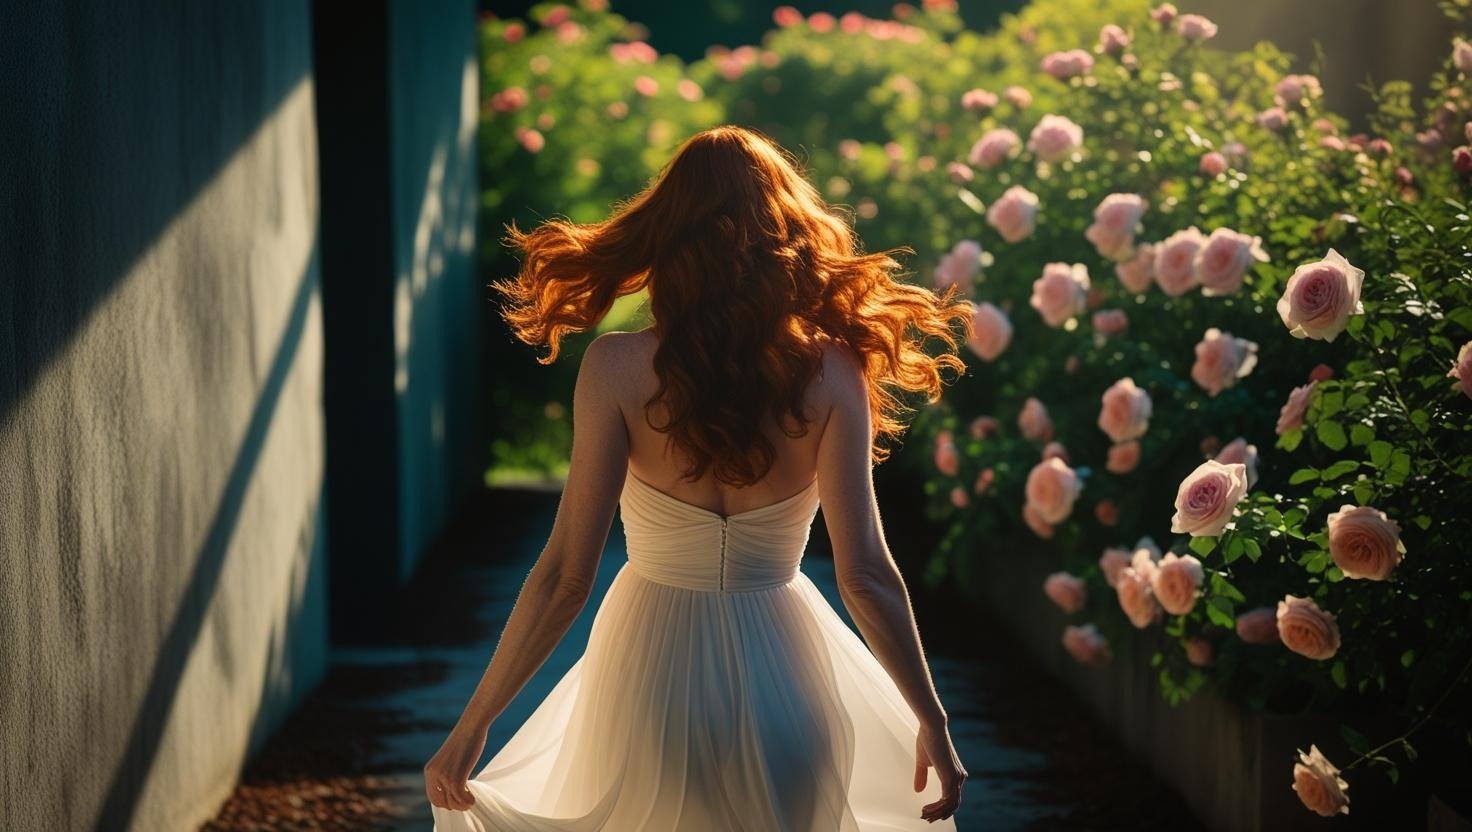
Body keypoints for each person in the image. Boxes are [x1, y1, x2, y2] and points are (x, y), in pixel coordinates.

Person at [425, 125, 971, 830]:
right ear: (789, 234)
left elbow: (565, 577)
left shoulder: (615, 369)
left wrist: (472, 727)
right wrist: (933, 721)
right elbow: (865, 575)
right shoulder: (836, 371)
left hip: (648, 682)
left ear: (666, 235)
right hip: (788, 681)